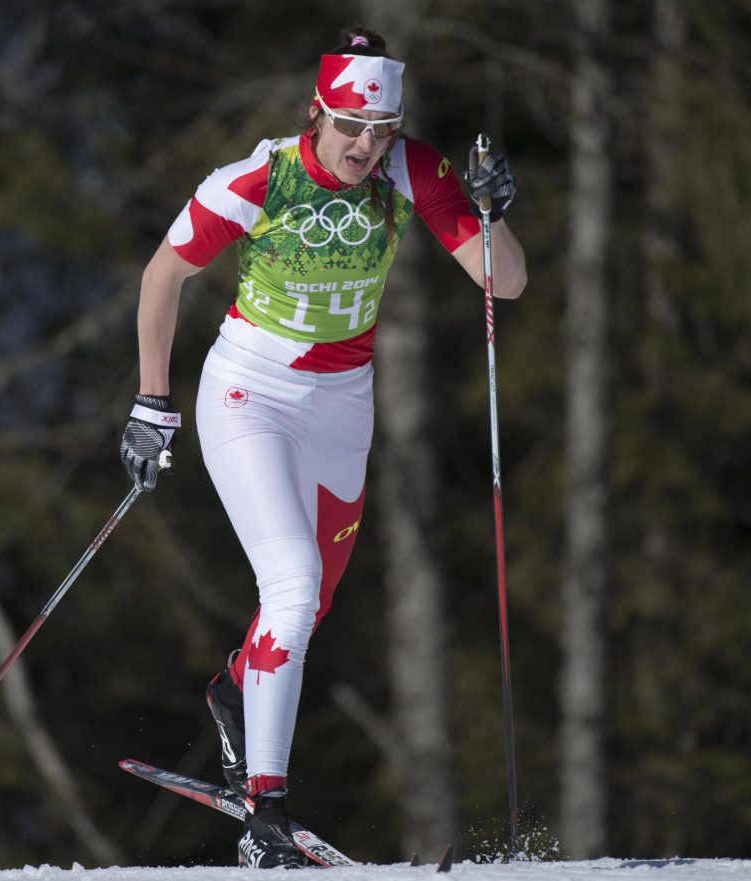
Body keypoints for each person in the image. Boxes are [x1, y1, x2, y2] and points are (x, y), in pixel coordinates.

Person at [119, 25, 526, 868]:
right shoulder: (259, 179)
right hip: (249, 395)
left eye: (379, 130)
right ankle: (266, 813)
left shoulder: (412, 168)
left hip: (344, 407)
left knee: (308, 607)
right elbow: (163, 275)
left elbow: (506, 280)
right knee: (294, 585)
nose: (364, 147)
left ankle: (237, 689)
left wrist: (494, 213)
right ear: (317, 112)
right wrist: (152, 404)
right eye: (349, 127)